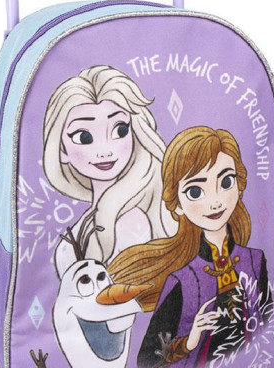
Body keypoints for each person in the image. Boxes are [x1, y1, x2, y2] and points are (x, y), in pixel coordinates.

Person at [109, 126, 271, 368]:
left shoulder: (255, 261)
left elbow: (269, 325)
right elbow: (147, 361)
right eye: (195, 191)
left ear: (240, 186)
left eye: (226, 182)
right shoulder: (182, 281)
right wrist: (190, 339)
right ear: (177, 205)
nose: (215, 201)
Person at [43, 65, 175, 277]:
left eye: (120, 130)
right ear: (61, 150)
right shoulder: (85, 224)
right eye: (84, 137)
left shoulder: (131, 224)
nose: (105, 151)